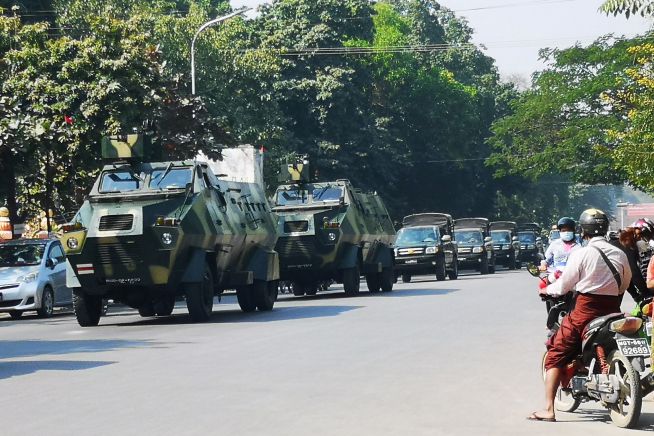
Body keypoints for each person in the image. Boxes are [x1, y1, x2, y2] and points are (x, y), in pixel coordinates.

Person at [528, 208, 630, 422]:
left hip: (585, 312)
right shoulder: (619, 253)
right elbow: (625, 283)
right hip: (613, 310)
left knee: (555, 354)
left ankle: (548, 409)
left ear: (583, 231)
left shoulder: (582, 253)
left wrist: (547, 290)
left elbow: (564, 285)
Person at [613, 227, 651, 303]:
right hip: (611, 282)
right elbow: (634, 272)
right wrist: (646, 293)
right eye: (639, 237)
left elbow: (627, 276)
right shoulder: (628, 247)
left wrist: (635, 295)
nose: (640, 239)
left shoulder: (616, 244)